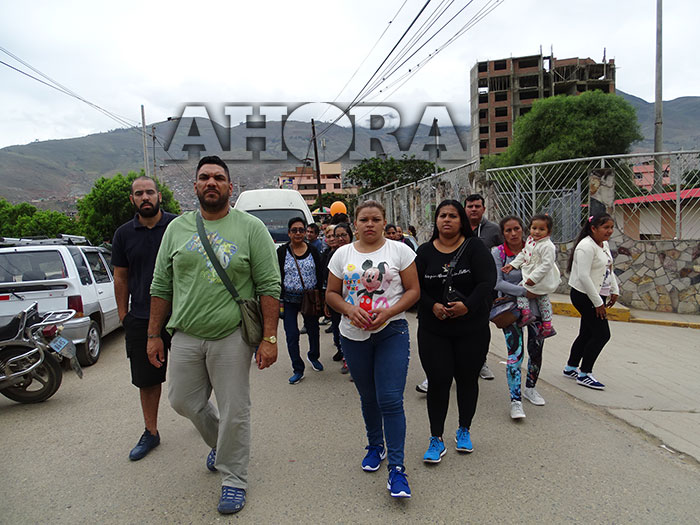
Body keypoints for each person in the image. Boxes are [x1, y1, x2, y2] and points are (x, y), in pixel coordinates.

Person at [147, 155, 281, 515]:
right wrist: (153, 334)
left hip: (232, 335)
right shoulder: (176, 229)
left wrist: (269, 338)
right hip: (185, 334)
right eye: (204, 177)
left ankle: (234, 478)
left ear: (229, 187)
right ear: (195, 186)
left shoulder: (251, 228)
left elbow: (269, 286)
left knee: (235, 409)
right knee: (182, 401)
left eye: (218, 178)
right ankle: (223, 445)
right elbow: (160, 285)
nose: (211, 182)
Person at [326, 200, 419, 498]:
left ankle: (397, 469)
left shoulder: (400, 251)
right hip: (353, 335)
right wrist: (349, 310)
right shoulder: (343, 254)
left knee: (390, 398)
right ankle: (375, 445)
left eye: (375, 219)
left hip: (391, 331)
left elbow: (413, 291)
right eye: (364, 219)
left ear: (384, 221)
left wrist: (389, 312)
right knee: (368, 397)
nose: (369, 224)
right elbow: (331, 294)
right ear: (355, 223)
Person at [415, 200, 496, 463]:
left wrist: (467, 306)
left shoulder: (475, 247)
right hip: (434, 329)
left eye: (452, 215)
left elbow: (487, 282)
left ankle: (464, 429)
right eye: (442, 215)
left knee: (467, 380)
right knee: (438, 381)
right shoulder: (424, 252)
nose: (447, 220)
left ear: (461, 220)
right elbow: (415, 288)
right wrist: (433, 306)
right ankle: (436, 438)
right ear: (436, 220)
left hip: (471, 328)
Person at [112, 176, 177, 461]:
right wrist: (124, 316)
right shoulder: (123, 234)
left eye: (150, 192)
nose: (145, 197)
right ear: (132, 199)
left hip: (180, 315)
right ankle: (150, 432)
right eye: (139, 193)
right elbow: (120, 277)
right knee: (147, 380)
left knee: (196, 375)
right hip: (140, 317)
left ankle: (206, 423)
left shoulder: (177, 226)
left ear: (159, 196)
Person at [492, 216, 547, 420]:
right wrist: (524, 291)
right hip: (511, 311)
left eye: (516, 229)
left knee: (536, 351)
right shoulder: (498, 253)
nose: (513, 233)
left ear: (523, 230)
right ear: (503, 233)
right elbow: (497, 282)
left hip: (537, 309)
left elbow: (548, 272)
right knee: (515, 354)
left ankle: (530, 388)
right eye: (508, 230)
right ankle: (515, 401)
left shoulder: (536, 249)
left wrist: (536, 291)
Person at [564, 213, 619, 390]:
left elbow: (609, 268)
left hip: (598, 294)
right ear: (593, 228)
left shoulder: (603, 244)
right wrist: (598, 303)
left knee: (587, 333)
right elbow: (584, 277)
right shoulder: (585, 247)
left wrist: (614, 290)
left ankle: (571, 367)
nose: (609, 231)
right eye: (605, 227)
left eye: (611, 227)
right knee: (602, 334)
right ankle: (585, 373)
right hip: (585, 296)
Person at [277, 217, 324, 384]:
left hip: (310, 299)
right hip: (289, 300)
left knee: (313, 330)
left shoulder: (313, 251)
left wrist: (321, 295)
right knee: (291, 334)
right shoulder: (282, 252)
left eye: (301, 230)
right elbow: (277, 274)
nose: (298, 233)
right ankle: (297, 368)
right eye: (294, 230)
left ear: (305, 232)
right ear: (289, 233)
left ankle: (313, 356)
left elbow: (320, 273)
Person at [463, 193, 503, 381]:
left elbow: (505, 252)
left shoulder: (494, 229)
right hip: (461, 286)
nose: (473, 209)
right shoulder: (459, 227)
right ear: (465, 208)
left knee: (481, 326)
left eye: (477, 206)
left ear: (484, 209)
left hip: (484, 287)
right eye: (470, 206)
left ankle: (481, 362)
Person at [502, 214, 561, 338]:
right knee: (542, 299)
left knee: (523, 291)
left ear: (549, 232)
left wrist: (533, 278)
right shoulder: (531, 241)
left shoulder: (547, 246)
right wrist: (512, 265)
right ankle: (547, 326)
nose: (537, 232)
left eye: (541, 229)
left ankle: (527, 313)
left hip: (541, 277)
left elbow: (547, 265)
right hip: (532, 276)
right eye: (534, 228)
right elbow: (524, 254)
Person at [330, 223, 353, 373]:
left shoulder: (356, 253)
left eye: (343, 235)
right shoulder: (332, 255)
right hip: (336, 300)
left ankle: (350, 362)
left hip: (353, 302)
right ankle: (344, 354)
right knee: (338, 328)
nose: (340, 238)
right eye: (337, 236)